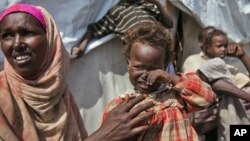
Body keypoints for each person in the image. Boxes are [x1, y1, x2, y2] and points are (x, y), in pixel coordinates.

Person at [0, 4, 156, 141]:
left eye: (27, 33)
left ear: (50, 39)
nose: (17, 43)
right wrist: (103, 136)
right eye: (7, 35)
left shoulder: (57, 91)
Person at [101, 22, 215, 141]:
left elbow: (206, 99)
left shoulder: (177, 95)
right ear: (128, 63)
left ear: (165, 66)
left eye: (153, 68)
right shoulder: (121, 106)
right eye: (138, 67)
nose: (145, 74)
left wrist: (171, 78)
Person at [71, 0, 173, 58]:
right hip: (139, 52)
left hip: (158, 47)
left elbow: (169, 24)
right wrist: (81, 48)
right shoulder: (117, 11)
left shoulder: (148, 6)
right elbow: (94, 30)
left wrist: (158, 4)